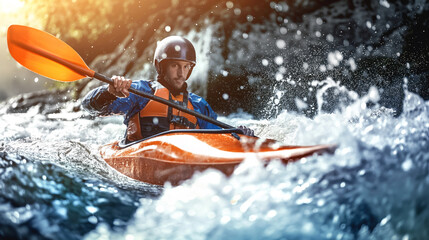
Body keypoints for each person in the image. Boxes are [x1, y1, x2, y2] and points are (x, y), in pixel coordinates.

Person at [82, 36, 254, 143]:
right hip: (141, 157)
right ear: (160, 66)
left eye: (186, 67)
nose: (181, 74)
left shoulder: (198, 105)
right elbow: (88, 107)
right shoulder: (139, 93)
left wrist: (240, 136)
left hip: (182, 162)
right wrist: (109, 92)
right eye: (175, 66)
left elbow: (220, 139)